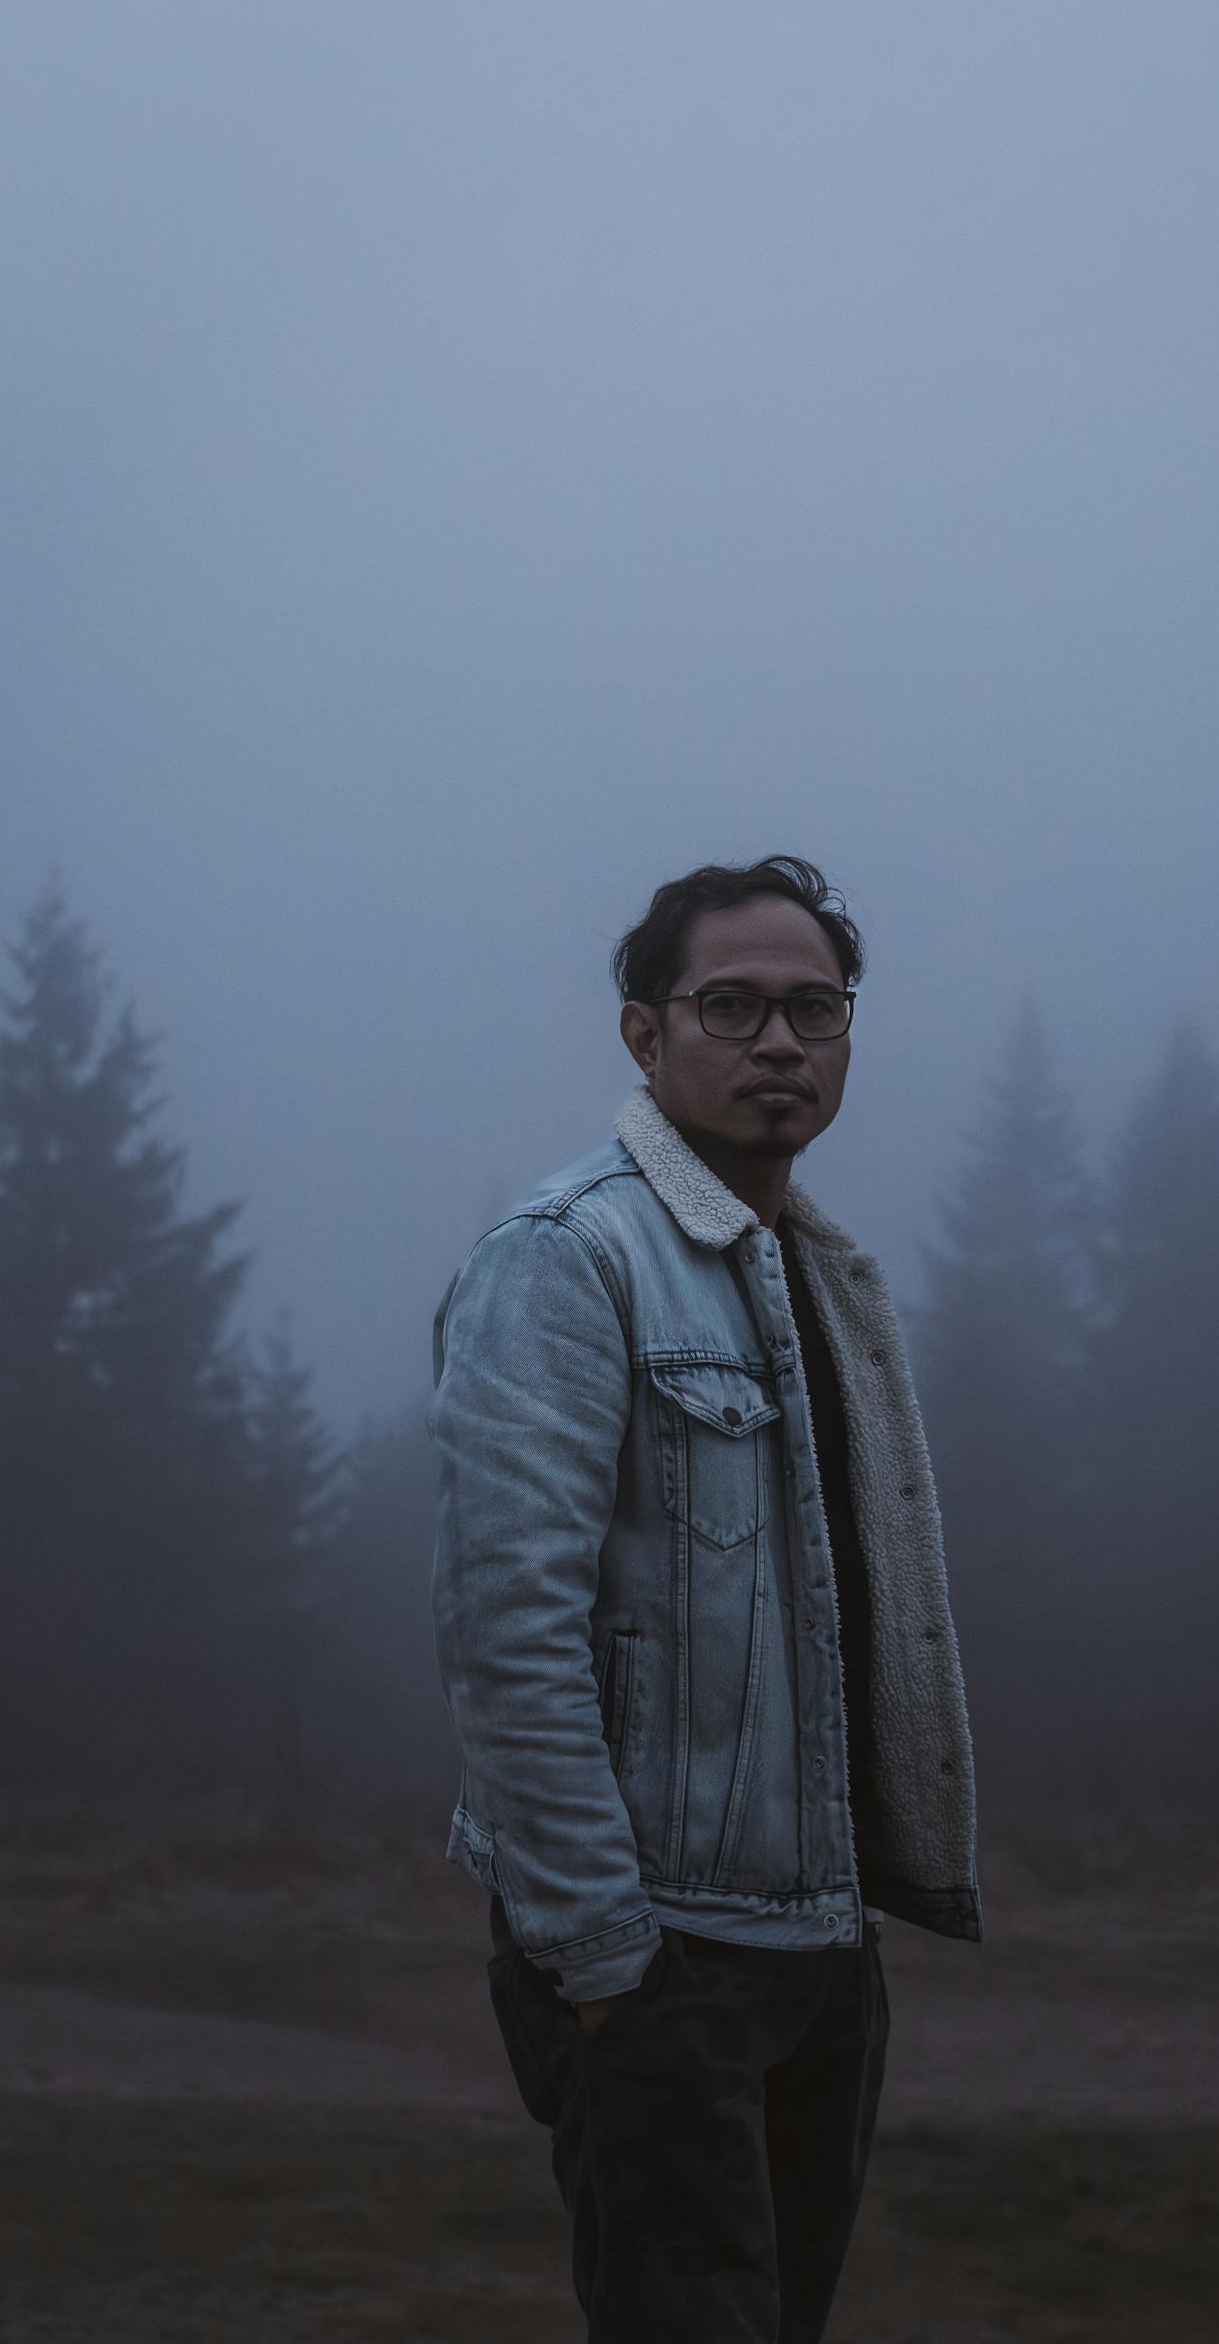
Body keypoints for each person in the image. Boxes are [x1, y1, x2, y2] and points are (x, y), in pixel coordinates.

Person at [430, 853, 980, 2343]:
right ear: (644, 1032)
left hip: (817, 1947)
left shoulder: (818, 1272)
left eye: (814, 1006)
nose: (780, 1042)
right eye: (730, 1005)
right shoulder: (566, 1260)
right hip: (659, 1955)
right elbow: (505, 1644)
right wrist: (609, 1965)